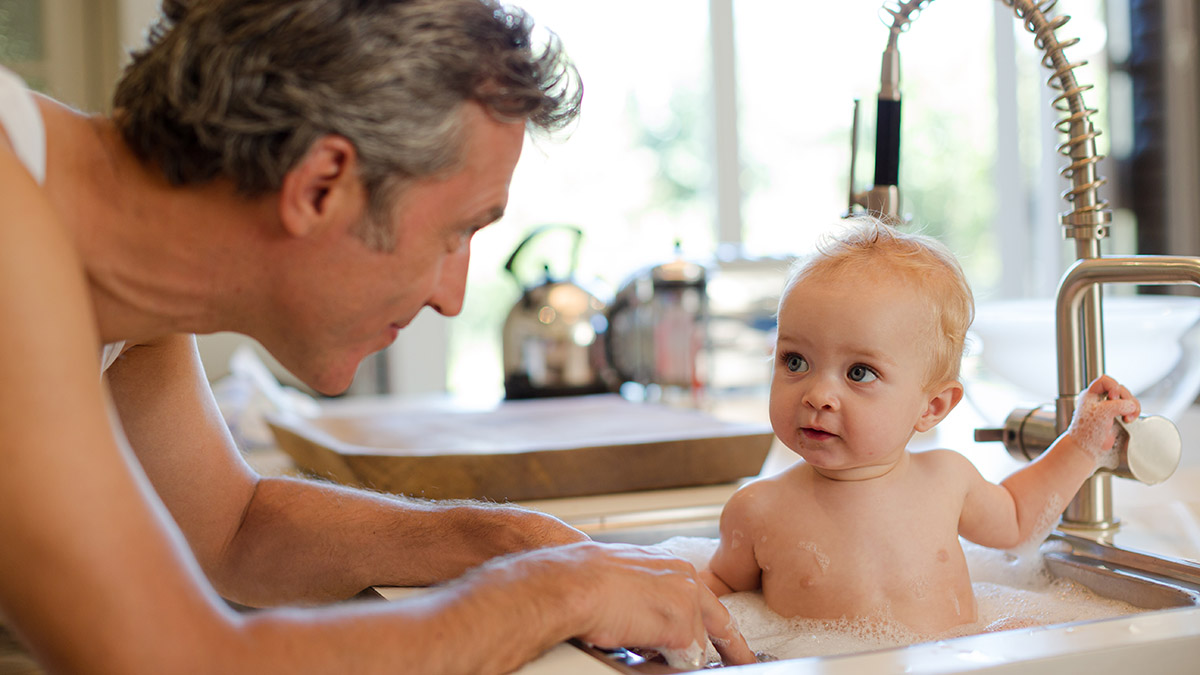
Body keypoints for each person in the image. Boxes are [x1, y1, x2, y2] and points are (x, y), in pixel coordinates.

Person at [0, 0, 755, 672]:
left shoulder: (123, 280)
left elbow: (229, 529)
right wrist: (547, 594)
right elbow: (167, 655)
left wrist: (511, 543)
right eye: (457, 232)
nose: (452, 297)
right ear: (323, 184)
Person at [700, 217, 1140, 635]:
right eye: (795, 361)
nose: (818, 395)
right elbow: (712, 594)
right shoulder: (758, 510)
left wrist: (1083, 443)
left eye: (858, 373)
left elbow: (1020, 520)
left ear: (931, 406)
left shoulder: (946, 480)